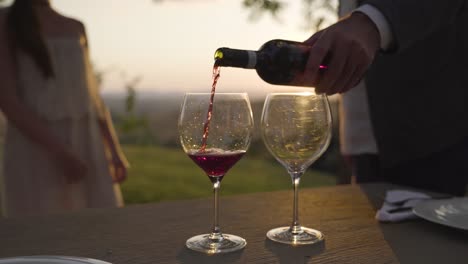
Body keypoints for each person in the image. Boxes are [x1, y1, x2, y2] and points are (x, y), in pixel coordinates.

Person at [302, 0, 468, 195]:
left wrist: (370, 22)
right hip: (367, 148)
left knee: (424, 225)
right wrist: (354, 138)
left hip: (429, 134)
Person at [0, 0, 129, 217]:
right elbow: (8, 100)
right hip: (35, 146)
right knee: (44, 231)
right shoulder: (6, 20)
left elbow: (92, 97)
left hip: (88, 142)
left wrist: (114, 150)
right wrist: (60, 152)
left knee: (99, 225)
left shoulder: (76, 26)